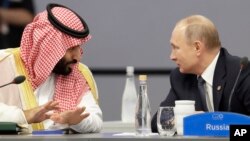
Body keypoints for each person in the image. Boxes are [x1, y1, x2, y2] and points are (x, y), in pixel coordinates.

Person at [0, 3, 102, 133]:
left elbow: (96, 120)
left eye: (79, 47)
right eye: (71, 48)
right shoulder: (3, 63)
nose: (78, 57)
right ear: (48, 46)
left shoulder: (78, 72)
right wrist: (24, 116)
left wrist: (77, 121)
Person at [151, 15, 250, 132]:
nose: (171, 56)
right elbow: (156, 122)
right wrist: (185, 121)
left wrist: (210, 124)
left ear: (197, 47)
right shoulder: (180, 78)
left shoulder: (241, 72)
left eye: (176, 48)